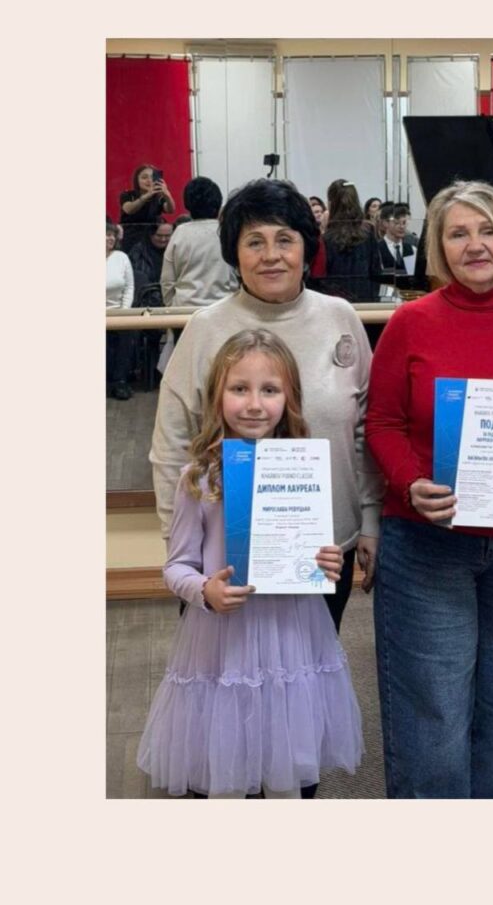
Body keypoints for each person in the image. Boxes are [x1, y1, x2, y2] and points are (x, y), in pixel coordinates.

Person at [365, 179, 493, 798]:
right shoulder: (410, 323)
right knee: (432, 717)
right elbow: (382, 423)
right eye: (458, 233)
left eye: (487, 230)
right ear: (439, 246)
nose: (475, 245)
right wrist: (411, 481)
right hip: (428, 543)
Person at [150, 178, 382, 638]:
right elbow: (172, 444)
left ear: (306, 247)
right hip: (223, 556)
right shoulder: (205, 328)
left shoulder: (340, 318)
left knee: (307, 671)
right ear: (235, 253)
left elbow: (364, 429)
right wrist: (181, 547)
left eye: (284, 240)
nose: (271, 255)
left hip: (323, 550)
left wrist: (370, 520)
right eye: (254, 241)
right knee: (227, 676)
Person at [138, 329, 363, 798]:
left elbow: (312, 554)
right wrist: (205, 590)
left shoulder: (303, 469)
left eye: (270, 390)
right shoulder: (200, 477)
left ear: (290, 398)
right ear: (217, 396)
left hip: (291, 635)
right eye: (239, 389)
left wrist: (325, 563)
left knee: (286, 774)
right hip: (225, 642)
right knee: (226, 773)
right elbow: (176, 566)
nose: (255, 404)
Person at [160, 177, 239, 307]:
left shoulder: (180, 232)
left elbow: (167, 279)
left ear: (187, 204)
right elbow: (238, 273)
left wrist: (172, 306)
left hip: (184, 308)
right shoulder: (227, 232)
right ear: (218, 203)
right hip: (224, 306)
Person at [322, 178, 380, 302]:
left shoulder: (326, 237)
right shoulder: (368, 231)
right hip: (366, 299)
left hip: (336, 301)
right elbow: (376, 270)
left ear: (331, 203)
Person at [106, 222, 135, 400]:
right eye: (106, 234)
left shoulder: (122, 257)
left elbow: (129, 287)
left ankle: (120, 382)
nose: (110, 238)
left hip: (119, 312)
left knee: (127, 334)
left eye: (112, 235)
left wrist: (124, 312)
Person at [119, 164, 176, 253]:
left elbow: (170, 210)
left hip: (152, 241)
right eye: (144, 177)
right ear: (137, 180)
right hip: (131, 239)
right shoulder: (128, 195)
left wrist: (167, 194)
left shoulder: (158, 197)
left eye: (152, 177)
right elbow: (129, 209)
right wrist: (147, 195)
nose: (149, 180)